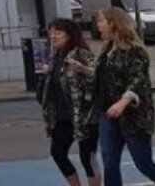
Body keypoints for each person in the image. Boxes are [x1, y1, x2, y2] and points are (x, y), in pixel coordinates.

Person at [91, 7, 155, 186]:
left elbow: (137, 80)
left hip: (133, 117)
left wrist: (123, 102)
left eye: (101, 21)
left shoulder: (135, 50)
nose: (98, 26)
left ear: (113, 23)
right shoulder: (106, 49)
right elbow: (105, 77)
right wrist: (83, 70)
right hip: (107, 114)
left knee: (143, 164)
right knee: (110, 162)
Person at [39, 18, 98, 186]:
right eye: (51, 32)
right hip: (62, 116)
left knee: (87, 158)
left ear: (70, 35)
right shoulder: (55, 56)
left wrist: (83, 69)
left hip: (84, 115)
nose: (53, 36)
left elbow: (97, 77)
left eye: (58, 32)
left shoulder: (81, 53)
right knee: (57, 153)